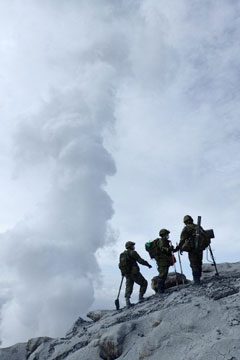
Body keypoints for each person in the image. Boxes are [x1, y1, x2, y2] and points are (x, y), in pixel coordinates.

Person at [119, 241, 152, 308]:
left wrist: (123, 273)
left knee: (129, 286)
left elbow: (120, 265)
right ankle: (141, 298)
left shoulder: (122, 254)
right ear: (130, 246)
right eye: (133, 245)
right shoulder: (133, 253)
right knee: (144, 283)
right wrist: (148, 264)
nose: (134, 246)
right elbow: (140, 260)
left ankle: (127, 302)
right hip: (134, 272)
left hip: (126, 274)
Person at [179, 215, 203, 285]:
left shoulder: (186, 228)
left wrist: (181, 248)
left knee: (194, 264)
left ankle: (197, 281)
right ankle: (199, 278)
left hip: (192, 249)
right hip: (200, 248)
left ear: (185, 222)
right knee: (199, 263)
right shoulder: (198, 226)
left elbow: (182, 239)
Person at [155, 229, 177, 294]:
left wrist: (175, 249)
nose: (168, 235)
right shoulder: (161, 241)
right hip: (162, 261)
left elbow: (169, 250)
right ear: (164, 234)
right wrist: (168, 249)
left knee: (164, 274)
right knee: (162, 274)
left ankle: (162, 289)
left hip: (165, 260)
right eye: (167, 234)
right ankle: (160, 291)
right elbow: (162, 248)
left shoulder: (166, 241)